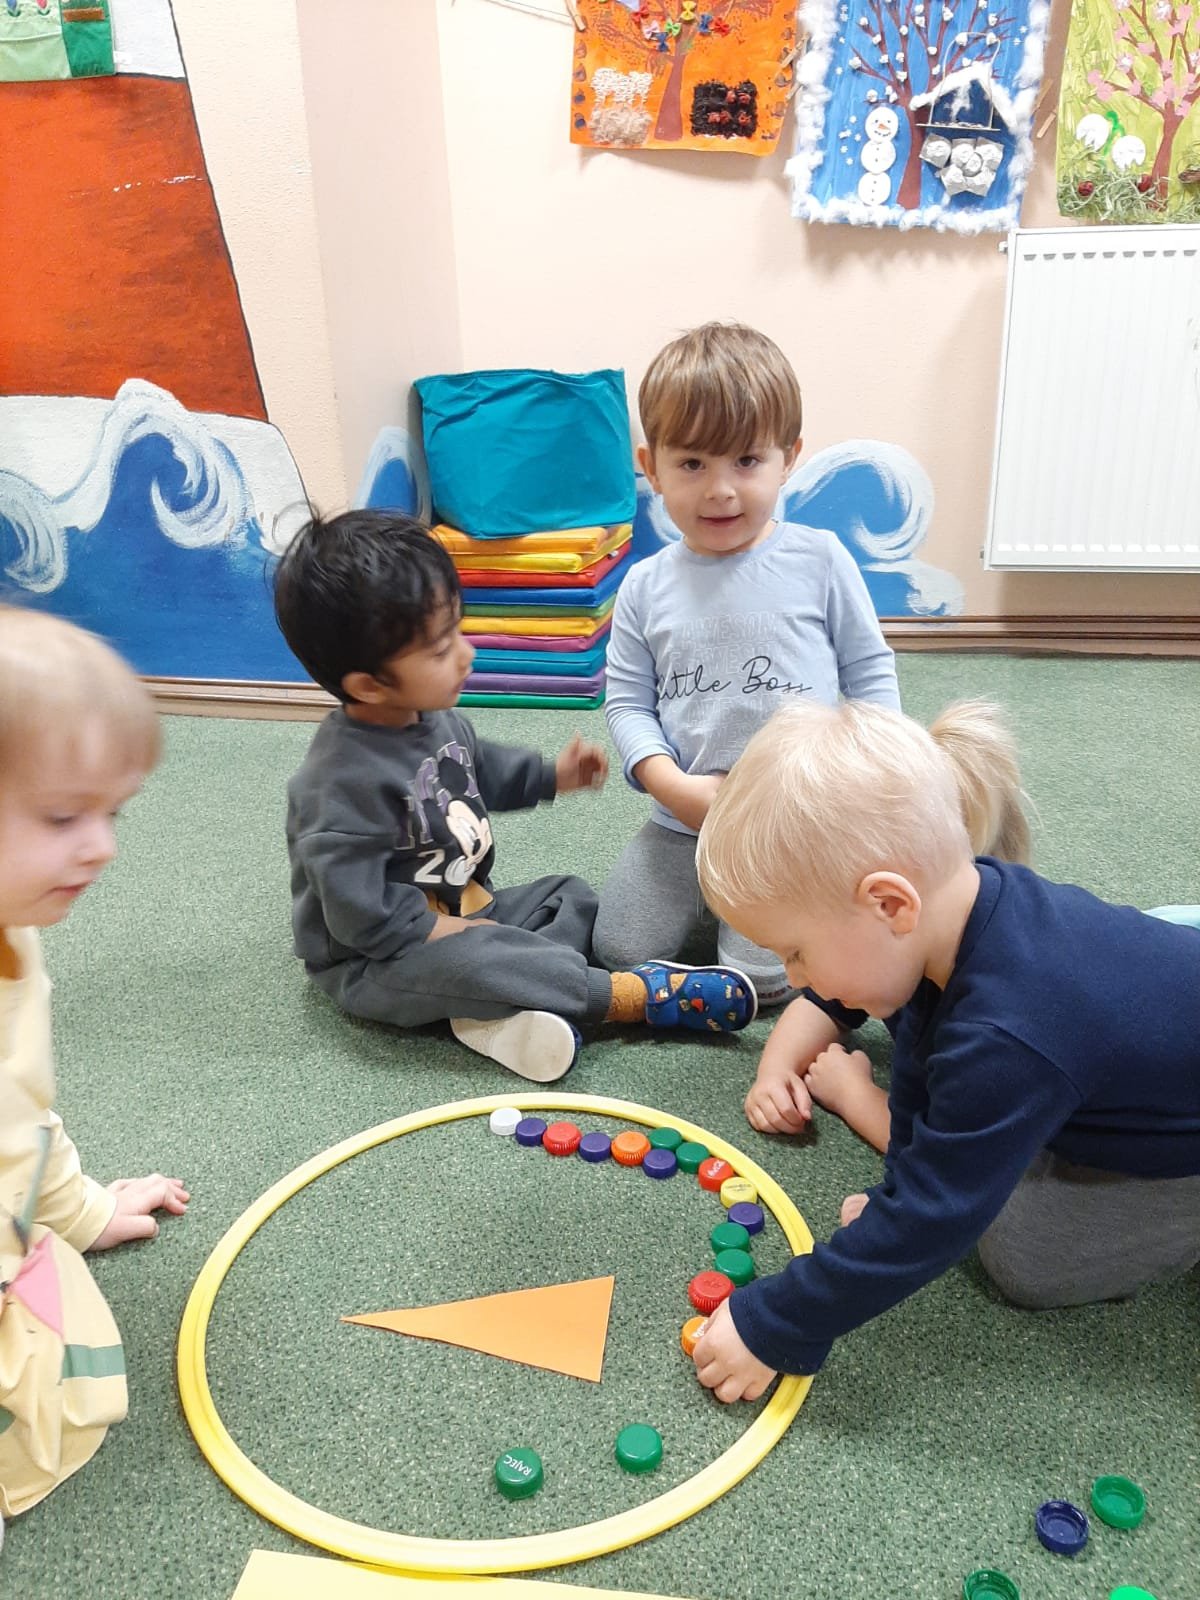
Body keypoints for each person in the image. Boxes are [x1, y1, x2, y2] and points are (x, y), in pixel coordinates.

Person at [688, 698, 1200, 1402]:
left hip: (1176, 1134)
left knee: (1026, 1255)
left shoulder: (1006, 1032)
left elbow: (933, 1215)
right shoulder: (959, 918)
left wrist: (776, 1322)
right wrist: (898, 1196)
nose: (795, 979)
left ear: (890, 905)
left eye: (796, 952)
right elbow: (920, 1069)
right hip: (1124, 1046)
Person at [273, 510, 758, 1085]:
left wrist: (553, 776)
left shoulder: (431, 718)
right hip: (382, 957)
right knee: (479, 960)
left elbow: (481, 770)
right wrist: (442, 934)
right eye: (439, 650)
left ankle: (513, 1006)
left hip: (467, 907)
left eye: (457, 631)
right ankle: (625, 998)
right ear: (368, 685)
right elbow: (360, 919)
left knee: (569, 896)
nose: (466, 654)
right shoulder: (338, 787)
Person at [594, 322, 900, 1007]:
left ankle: (747, 910)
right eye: (692, 464)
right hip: (683, 817)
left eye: (747, 461)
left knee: (763, 980)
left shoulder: (819, 560)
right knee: (620, 950)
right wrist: (668, 783)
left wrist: (873, 774)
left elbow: (869, 672)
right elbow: (629, 702)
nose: (721, 491)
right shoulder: (644, 586)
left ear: (789, 458)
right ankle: (712, 895)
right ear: (651, 467)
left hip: (794, 822)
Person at [0, 607, 189, 1525]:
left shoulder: (16, 932)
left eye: (111, 813)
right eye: (62, 816)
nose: (103, 846)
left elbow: (24, 1116)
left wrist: (81, 1212)